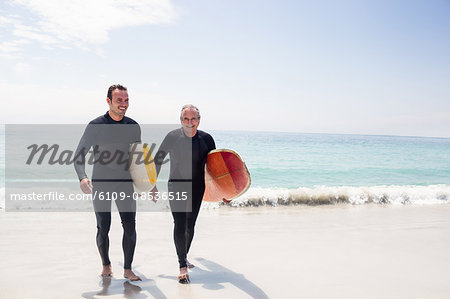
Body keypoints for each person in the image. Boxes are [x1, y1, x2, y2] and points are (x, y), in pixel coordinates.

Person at [74, 84, 141, 281]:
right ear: (108, 101)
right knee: (103, 226)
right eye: (119, 100)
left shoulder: (133, 126)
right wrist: (82, 177)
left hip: (125, 184)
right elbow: (79, 157)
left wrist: (145, 183)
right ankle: (106, 264)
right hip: (102, 183)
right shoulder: (96, 126)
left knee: (130, 226)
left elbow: (137, 159)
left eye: (126, 100)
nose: (124, 104)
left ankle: (127, 269)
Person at [154, 104, 216, 284]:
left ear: (199, 120)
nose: (190, 122)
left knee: (191, 225)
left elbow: (214, 169)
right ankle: (182, 266)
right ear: (181, 120)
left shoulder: (207, 139)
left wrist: (222, 192)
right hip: (176, 185)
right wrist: (151, 185)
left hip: (197, 187)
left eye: (193, 119)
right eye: (186, 119)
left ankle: (184, 255)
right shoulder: (172, 137)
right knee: (180, 223)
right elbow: (158, 160)